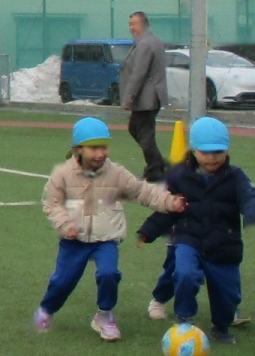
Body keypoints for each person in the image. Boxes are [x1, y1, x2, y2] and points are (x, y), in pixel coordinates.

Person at [36, 116, 180, 341]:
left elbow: (143, 192)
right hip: (74, 239)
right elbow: (52, 204)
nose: (100, 153)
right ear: (78, 149)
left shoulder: (116, 173)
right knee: (63, 281)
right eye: (94, 148)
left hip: (106, 237)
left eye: (103, 147)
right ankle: (47, 309)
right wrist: (65, 224)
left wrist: (170, 202)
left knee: (109, 274)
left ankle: (104, 316)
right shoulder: (62, 175)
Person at [136, 116, 255, 344]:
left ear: (227, 150)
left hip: (225, 244)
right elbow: (169, 208)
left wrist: (254, 210)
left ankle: (221, 328)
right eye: (205, 152)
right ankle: (185, 320)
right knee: (184, 274)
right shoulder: (180, 176)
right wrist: (148, 231)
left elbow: (250, 195)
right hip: (189, 238)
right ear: (194, 151)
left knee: (228, 294)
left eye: (218, 151)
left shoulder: (236, 176)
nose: (211, 157)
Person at [120, 11, 170, 181]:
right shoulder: (153, 41)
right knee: (136, 129)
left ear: (143, 24)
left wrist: (128, 98)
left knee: (144, 134)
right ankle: (157, 165)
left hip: (146, 98)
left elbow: (138, 73)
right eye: (130, 24)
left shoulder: (146, 44)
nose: (131, 28)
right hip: (150, 97)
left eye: (133, 24)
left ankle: (155, 169)